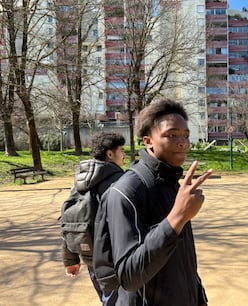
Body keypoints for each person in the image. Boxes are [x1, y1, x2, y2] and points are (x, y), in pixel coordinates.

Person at [102, 99, 212, 305]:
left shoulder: (173, 184)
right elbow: (128, 276)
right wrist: (176, 218)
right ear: (148, 141)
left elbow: (182, 260)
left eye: (185, 135)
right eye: (171, 135)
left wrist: (199, 297)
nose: (183, 142)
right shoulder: (126, 190)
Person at [62, 131, 126, 306]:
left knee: (108, 300)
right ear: (110, 153)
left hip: (91, 257)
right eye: (121, 150)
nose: (124, 154)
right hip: (116, 259)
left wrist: (71, 260)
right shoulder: (119, 182)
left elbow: (69, 219)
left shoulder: (78, 183)